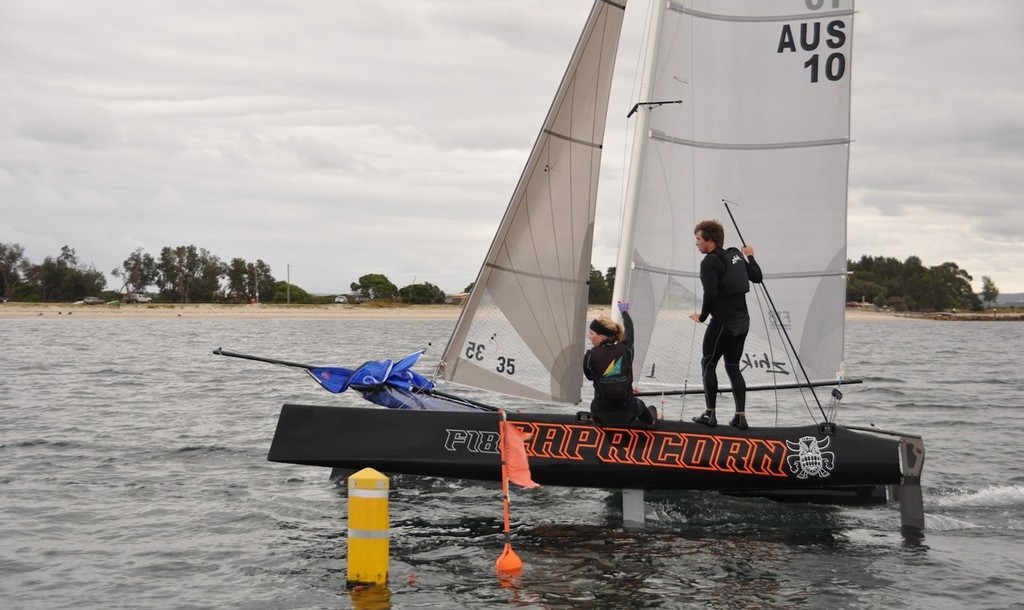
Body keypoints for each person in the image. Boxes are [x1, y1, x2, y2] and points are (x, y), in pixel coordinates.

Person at [689, 220, 763, 430]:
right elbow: (757, 276)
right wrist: (750, 255)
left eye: (698, 239)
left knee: (708, 364)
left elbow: (710, 294)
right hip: (742, 322)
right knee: (732, 367)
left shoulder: (709, 262)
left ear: (710, 240)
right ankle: (740, 417)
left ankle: (709, 414)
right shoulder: (736, 255)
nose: (696, 244)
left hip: (723, 322)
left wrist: (702, 317)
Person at [583, 302, 657, 427]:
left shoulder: (590, 355)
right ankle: (651, 423)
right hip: (628, 414)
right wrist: (624, 312)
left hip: (601, 415)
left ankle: (599, 428)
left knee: (596, 401)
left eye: (591, 333)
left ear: (601, 336)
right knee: (642, 406)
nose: (589, 337)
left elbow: (590, 376)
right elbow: (630, 330)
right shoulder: (626, 348)